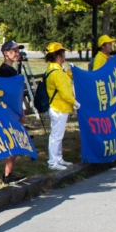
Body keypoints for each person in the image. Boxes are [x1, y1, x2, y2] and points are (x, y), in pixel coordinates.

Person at [44, 42, 77, 170]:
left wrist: (68, 74)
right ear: (58, 56)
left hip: (59, 107)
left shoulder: (56, 69)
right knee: (56, 136)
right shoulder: (56, 72)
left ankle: (58, 158)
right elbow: (64, 92)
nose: (64, 56)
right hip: (58, 108)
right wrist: (75, 102)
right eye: (63, 53)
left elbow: (64, 83)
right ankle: (53, 162)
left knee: (58, 135)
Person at [0, 40, 25, 183]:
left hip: (14, 110)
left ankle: (10, 173)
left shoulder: (12, 70)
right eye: (13, 51)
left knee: (15, 142)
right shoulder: (4, 71)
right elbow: (5, 94)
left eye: (17, 51)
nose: (16, 54)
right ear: (5, 53)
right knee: (11, 143)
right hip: (8, 112)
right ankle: (7, 175)